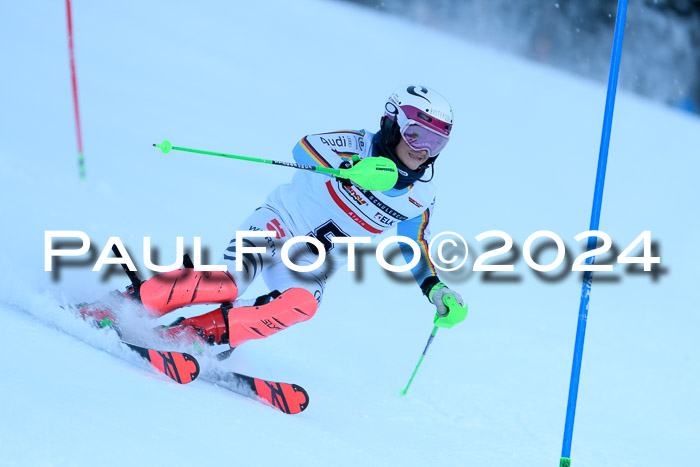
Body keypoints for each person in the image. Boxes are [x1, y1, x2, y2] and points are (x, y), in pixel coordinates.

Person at [83, 85, 467, 350]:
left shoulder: (420, 195)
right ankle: (123, 305)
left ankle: (198, 335)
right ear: (392, 123)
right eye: (417, 135)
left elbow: (413, 244)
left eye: (437, 143)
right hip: (278, 223)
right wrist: (356, 168)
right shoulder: (357, 142)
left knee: (302, 304)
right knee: (229, 284)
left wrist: (435, 289)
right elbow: (303, 149)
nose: (424, 151)